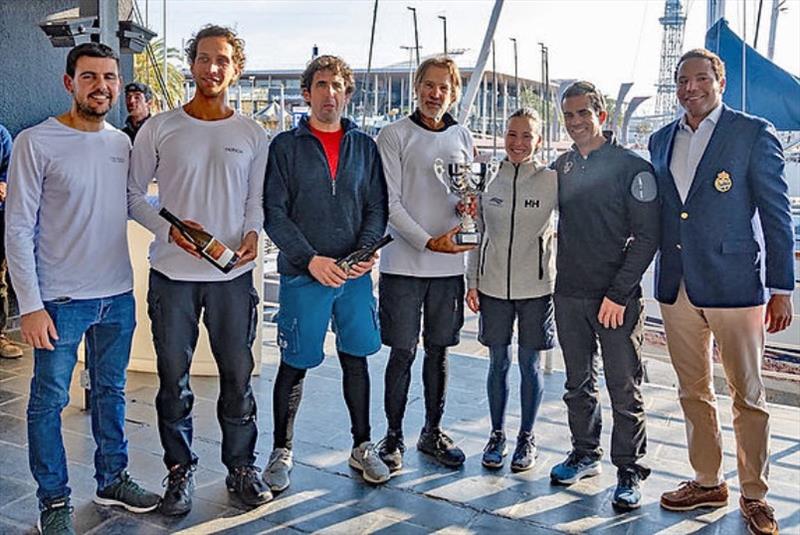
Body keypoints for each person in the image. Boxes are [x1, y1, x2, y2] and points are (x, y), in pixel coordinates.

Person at [6, 42, 160, 535]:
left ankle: (112, 478)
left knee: (111, 392)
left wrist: (178, 230)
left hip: (115, 295)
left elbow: (132, 204)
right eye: (90, 77)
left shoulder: (121, 143)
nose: (102, 86)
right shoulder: (36, 141)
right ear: (69, 82)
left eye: (110, 77)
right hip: (59, 301)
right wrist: (29, 305)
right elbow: (18, 228)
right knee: (48, 401)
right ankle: (53, 500)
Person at [128, 25, 271, 515]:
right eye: (205, 58)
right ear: (191, 64)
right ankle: (179, 469)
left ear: (236, 68)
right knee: (174, 380)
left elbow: (256, 203)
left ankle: (241, 467)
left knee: (238, 377)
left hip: (232, 279)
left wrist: (253, 235)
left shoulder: (253, 134)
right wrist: (170, 232)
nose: (213, 68)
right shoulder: (159, 127)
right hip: (172, 277)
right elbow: (132, 196)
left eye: (223, 60)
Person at [650, 49, 794, 535]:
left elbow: (776, 215)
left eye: (701, 78)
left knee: (748, 394)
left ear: (721, 81)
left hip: (735, 284)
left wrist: (781, 288)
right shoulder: (659, 139)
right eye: (683, 80)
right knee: (693, 389)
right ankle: (707, 479)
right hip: (678, 285)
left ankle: (755, 494)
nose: (692, 88)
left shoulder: (752, 133)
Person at [263, 54, 390, 489]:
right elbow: (275, 214)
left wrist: (364, 251)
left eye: (338, 86)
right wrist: (311, 260)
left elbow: (376, 208)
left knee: (357, 360)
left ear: (347, 93)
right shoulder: (284, 147)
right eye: (321, 85)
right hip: (305, 274)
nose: (330, 93)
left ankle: (362, 446)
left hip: (353, 277)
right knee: (294, 364)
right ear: (307, 92)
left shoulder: (365, 147)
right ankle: (281, 449)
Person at [548, 81, 659, 511]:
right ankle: (584, 452)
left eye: (583, 113)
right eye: (569, 115)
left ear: (602, 115)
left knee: (623, 386)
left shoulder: (633, 168)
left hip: (617, 299)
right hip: (570, 293)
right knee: (578, 384)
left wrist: (619, 293)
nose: (576, 122)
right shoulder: (563, 166)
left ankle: (629, 470)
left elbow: (648, 236)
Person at [375, 56, 475, 472]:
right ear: (418, 86)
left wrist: (468, 204)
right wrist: (427, 241)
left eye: (445, 88)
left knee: (440, 352)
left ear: (453, 93)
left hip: (448, 268)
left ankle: (432, 431)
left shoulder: (462, 135)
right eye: (429, 85)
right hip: (403, 264)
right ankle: (393, 436)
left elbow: (464, 193)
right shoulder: (393, 135)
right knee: (402, 353)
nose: (436, 94)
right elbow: (389, 203)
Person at [465, 108, 556, 472]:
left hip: (536, 288)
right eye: (512, 135)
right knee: (498, 362)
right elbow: (477, 231)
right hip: (492, 286)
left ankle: (526, 438)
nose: (519, 143)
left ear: (538, 140)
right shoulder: (486, 178)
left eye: (527, 136)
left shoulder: (551, 180)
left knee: (529, 364)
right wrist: (471, 281)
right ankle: (497, 434)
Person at [0, 123, 24, 359]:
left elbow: (11, 170)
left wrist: (4, 184)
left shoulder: (1, 135)